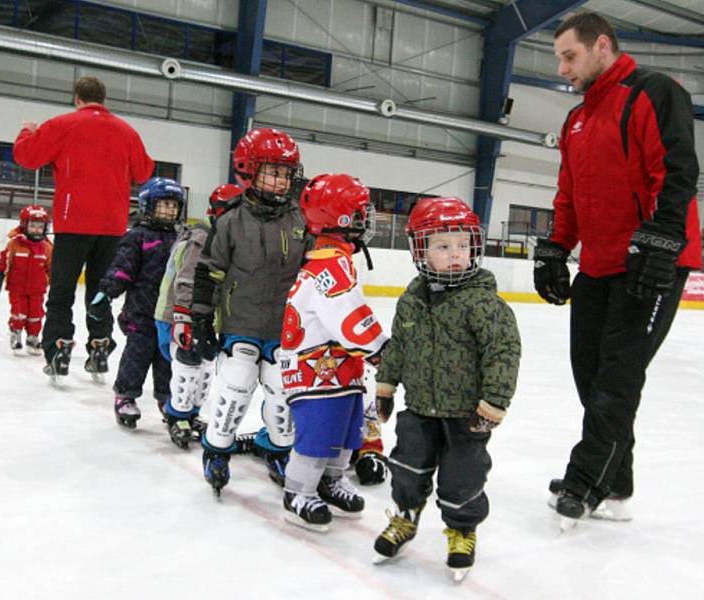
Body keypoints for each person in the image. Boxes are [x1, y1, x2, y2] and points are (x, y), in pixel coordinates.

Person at [535, 12, 703, 525]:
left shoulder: (652, 92)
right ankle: (617, 482)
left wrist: (663, 238)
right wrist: (556, 247)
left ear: (601, 45)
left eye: (570, 55)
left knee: (617, 376)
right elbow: (570, 193)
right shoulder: (577, 119)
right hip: (599, 264)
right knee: (589, 371)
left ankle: (587, 481)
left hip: (651, 262)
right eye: (560, 58)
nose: (563, 68)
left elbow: (677, 170)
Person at [372, 197, 520, 581]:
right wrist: (386, 386)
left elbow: (503, 353)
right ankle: (405, 517)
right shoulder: (412, 301)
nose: (456, 255)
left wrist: (492, 405)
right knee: (406, 467)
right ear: (420, 251)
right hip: (419, 408)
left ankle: (462, 530)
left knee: (462, 479)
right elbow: (399, 346)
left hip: (465, 417)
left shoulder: (484, 304)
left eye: (463, 245)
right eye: (442, 246)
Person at [190, 127, 308, 496]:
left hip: (284, 329)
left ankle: (277, 448)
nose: (280, 181)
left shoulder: (302, 221)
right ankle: (217, 448)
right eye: (272, 172)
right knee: (237, 380)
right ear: (249, 170)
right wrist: (199, 318)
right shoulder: (230, 222)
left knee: (282, 388)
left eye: (286, 173)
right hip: (240, 321)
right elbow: (208, 271)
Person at [13, 75, 155, 382]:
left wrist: (28, 131)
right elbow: (145, 171)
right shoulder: (126, 131)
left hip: (73, 222)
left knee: (62, 291)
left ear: (77, 98)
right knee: (100, 290)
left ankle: (59, 347)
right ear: (103, 100)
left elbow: (26, 156)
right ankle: (100, 344)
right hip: (112, 226)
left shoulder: (61, 125)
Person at [279, 173, 387, 531]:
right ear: (339, 218)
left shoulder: (337, 258)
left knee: (345, 431)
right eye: (359, 213)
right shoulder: (329, 265)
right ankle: (297, 491)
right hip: (315, 371)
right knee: (319, 433)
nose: (365, 219)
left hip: (338, 368)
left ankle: (329, 480)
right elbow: (349, 316)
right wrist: (381, 349)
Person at [87, 178, 185, 427]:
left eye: (174, 206)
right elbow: (123, 269)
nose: (170, 211)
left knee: (167, 359)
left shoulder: (181, 238)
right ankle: (125, 396)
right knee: (136, 356)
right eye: (164, 205)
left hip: (168, 314)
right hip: (140, 311)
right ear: (147, 205)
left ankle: (166, 398)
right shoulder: (138, 237)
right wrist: (107, 293)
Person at [154, 182, 244, 448]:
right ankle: (177, 414)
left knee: (204, 367)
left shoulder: (224, 237)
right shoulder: (204, 236)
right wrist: (184, 315)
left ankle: (191, 413)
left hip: (201, 316)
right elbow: (187, 278)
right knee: (188, 363)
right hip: (177, 315)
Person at [0, 205, 53, 354]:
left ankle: (33, 337)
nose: (37, 230)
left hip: (37, 289)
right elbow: (5, 259)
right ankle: (16, 333)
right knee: (19, 313)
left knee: (36, 314)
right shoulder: (15, 244)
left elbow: (51, 267)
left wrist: (55, 282)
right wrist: (0, 275)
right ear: (24, 225)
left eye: (41, 226)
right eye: (33, 226)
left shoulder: (47, 247)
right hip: (17, 288)